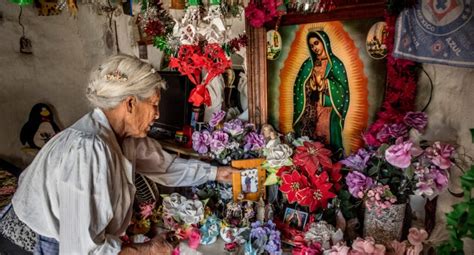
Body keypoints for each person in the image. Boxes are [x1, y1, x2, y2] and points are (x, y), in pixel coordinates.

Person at [12, 54, 235, 254]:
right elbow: (82, 249)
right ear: (130, 103)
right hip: (51, 237)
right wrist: (147, 250)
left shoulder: (125, 137)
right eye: (154, 105)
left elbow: (164, 166)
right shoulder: (89, 150)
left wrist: (217, 173)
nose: (157, 115)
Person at [293, 31, 349, 152]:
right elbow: (299, 85)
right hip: (312, 108)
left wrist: (325, 84)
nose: (314, 48)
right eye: (312, 46)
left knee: (327, 138)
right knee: (312, 139)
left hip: (328, 109)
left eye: (316, 43)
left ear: (324, 42)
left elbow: (342, 89)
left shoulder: (336, 63)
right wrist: (310, 85)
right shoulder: (309, 64)